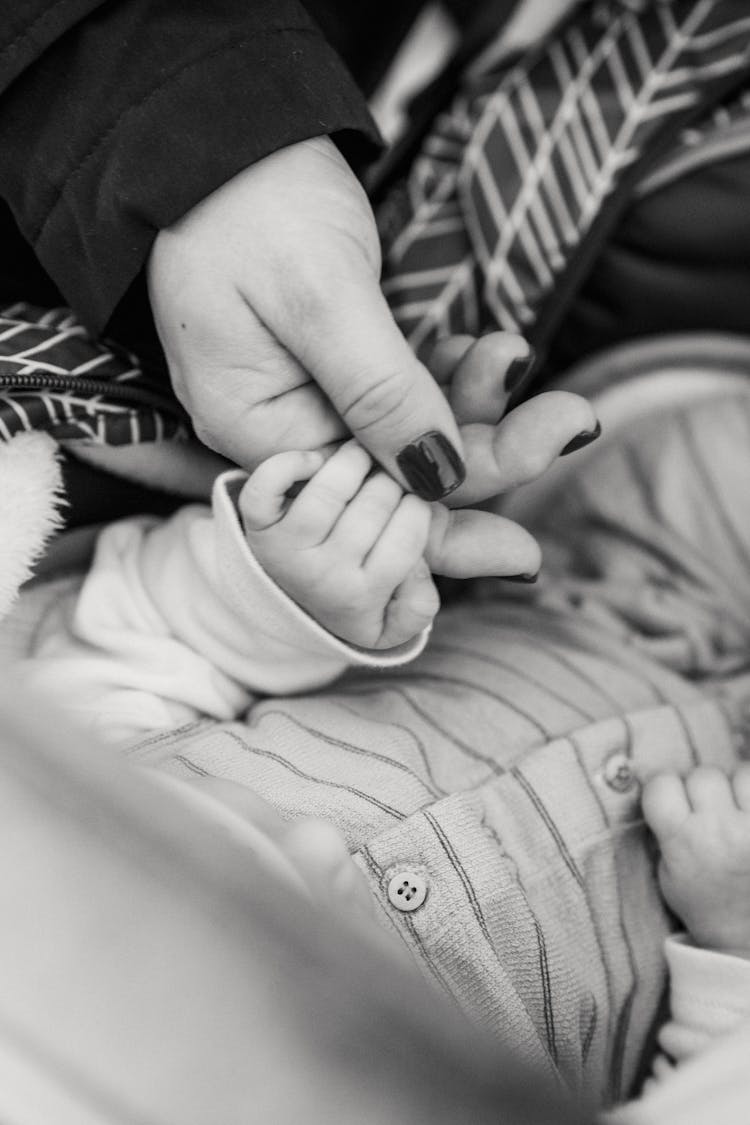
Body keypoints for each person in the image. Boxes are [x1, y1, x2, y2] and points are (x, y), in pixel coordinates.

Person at [7, 330, 750, 1111]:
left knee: (713, 459)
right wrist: (732, 952)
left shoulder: (67, 816)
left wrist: (289, 584)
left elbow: (143, 633)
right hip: (687, 913)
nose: (314, 847)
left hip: (607, 610)